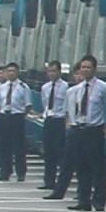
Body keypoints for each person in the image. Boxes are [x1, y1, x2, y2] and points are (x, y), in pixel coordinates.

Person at [66, 55, 106, 212]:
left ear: (94, 69)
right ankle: (83, 200)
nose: (85, 70)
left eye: (88, 67)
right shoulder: (76, 89)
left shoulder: (103, 88)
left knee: (97, 167)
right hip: (79, 129)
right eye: (82, 67)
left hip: (95, 130)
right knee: (82, 167)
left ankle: (99, 201)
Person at [0, 64, 32, 182]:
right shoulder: (2, 87)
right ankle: (5, 171)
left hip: (17, 117)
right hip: (5, 116)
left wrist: (21, 116)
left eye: (13, 71)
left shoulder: (23, 87)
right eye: (8, 71)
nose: (11, 73)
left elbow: (28, 105)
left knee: (19, 146)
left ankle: (21, 172)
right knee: (5, 146)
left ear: (17, 72)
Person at [39, 61, 70, 198]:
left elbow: (67, 105)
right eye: (49, 71)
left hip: (60, 120)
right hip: (49, 119)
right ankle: (48, 180)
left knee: (60, 152)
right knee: (48, 151)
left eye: (54, 71)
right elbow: (44, 103)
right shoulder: (45, 87)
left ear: (59, 72)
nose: (51, 74)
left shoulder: (66, 87)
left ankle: (60, 181)